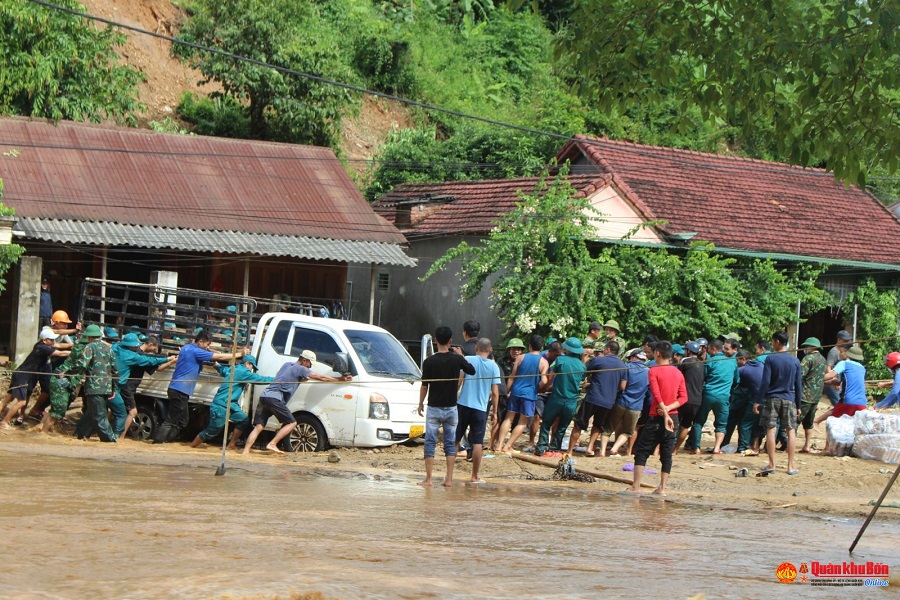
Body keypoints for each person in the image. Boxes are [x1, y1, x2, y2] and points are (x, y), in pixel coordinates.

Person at [244, 350, 351, 454]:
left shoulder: (287, 365)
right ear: (304, 360)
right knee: (292, 423)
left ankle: (245, 451)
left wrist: (301, 379)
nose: (310, 367)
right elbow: (320, 377)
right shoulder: (301, 368)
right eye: (309, 364)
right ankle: (272, 444)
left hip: (264, 396)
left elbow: (286, 378)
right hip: (275, 398)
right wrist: (340, 379)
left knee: (259, 426)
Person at [154, 330, 244, 444]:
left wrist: (207, 350)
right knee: (172, 420)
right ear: (200, 341)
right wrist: (239, 354)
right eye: (207, 344)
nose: (208, 347)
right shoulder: (195, 351)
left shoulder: (187, 348)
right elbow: (220, 356)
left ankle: (166, 442)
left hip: (177, 389)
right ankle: (158, 443)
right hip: (180, 389)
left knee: (182, 421)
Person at [416, 326, 476, 486]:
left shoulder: (429, 361)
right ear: (450, 341)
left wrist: (420, 403)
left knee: (430, 442)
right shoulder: (457, 360)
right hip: (451, 409)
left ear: (435, 340)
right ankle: (448, 479)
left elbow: (424, 385)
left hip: (434, 408)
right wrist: (461, 355)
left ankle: (428, 479)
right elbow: (471, 370)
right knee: (450, 443)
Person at [626, 341, 686, 496]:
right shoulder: (678, 373)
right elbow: (683, 398)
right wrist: (669, 409)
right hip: (673, 416)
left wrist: (664, 410)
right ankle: (662, 488)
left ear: (657, 353)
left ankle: (636, 486)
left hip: (657, 416)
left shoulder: (654, 371)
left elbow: (656, 392)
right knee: (666, 453)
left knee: (642, 451)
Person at [191, 355, 274, 449]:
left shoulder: (233, 368)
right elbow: (260, 379)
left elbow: (223, 370)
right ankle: (191, 447)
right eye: (252, 367)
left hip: (230, 404)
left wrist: (217, 366)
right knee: (212, 431)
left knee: (243, 420)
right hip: (221, 405)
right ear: (247, 363)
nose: (252, 369)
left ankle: (231, 444)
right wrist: (276, 380)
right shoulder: (243, 372)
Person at [0, 329, 70, 430]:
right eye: (51, 340)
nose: (53, 342)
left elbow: (57, 346)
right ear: (45, 340)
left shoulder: (41, 345)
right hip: (23, 376)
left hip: (20, 373)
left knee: (8, 399)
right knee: (22, 402)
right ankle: (4, 422)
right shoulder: (43, 348)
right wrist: (76, 353)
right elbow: (60, 353)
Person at [754, 331, 802, 475]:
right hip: (789, 398)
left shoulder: (771, 359)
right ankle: (791, 466)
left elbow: (765, 381)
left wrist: (757, 400)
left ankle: (772, 464)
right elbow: (798, 385)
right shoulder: (795, 361)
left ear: (777, 342)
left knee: (771, 429)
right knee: (791, 431)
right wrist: (798, 405)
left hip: (772, 398)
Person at [455, 338, 501, 483]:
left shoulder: (468, 359)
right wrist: (494, 412)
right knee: (477, 443)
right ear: (491, 350)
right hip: (480, 409)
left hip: (463, 404)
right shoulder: (494, 367)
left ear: (476, 348)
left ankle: (448, 473)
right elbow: (495, 392)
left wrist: (452, 397)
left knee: (456, 439)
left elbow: (459, 381)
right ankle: (474, 476)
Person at [114, 334, 176, 438]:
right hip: (128, 387)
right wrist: (170, 360)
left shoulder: (135, 352)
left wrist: (170, 361)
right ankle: (121, 437)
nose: (155, 351)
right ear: (151, 344)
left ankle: (107, 432)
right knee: (133, 412)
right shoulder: (139, 356)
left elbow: (155, 365)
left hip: (124, 386)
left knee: (116, 409)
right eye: (155, 348)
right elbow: (157, 367)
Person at [571, 340, 626, 457]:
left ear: (608, 350)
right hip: (608, 401)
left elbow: (585, 372)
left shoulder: (599, 360)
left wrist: (585, 359)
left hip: (593, 397)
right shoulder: (623, 366)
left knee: (579, 424)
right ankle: (590, 448)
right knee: (598, 425)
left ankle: (570, 451)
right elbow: (622, 386)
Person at [535, 338, 586, 457]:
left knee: (546, 423)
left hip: (557, 398)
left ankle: (541, 448)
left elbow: (550, 377)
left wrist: (544, 389)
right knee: (562, 427)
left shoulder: (560, 360)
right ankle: (554, 449)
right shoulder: (582, 366)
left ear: (567, 349)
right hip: (572, 401)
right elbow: (581, 382)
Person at [68, 324, 119, 442]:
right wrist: (114, 389)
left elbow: (82, 364)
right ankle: (79, 435)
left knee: (99, 416)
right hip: (106, 388)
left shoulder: (90, 347)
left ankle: (110, 440)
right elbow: (115, 371)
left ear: (89, 337)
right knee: (92, 413)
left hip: (94, 388)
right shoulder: (108, 349)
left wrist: (68, 373)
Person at [498, 335, 548, 453]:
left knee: (508, 418)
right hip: (529, 394)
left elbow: (512, 377)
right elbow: (544, 380)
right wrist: (536, 388)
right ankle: (507, 446)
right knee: (522, 422)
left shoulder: (520, 358)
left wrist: (507, 391)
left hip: (515, 391)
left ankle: (499, 445)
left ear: (529, 346)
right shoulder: (543, 362)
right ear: (541, 347)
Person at [689, 339, 739, 454]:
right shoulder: (732, 362)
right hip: (724, 397)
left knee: (698, 422)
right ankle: (717, 448)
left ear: (713, 349)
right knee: (721, 424)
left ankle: (696, 448)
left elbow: (703, 376)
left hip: (708, 395)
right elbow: (736, 381)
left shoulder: (710, 361)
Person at [604, 348, 650, 456]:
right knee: (628, 432)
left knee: (608, 429)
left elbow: (621, 386)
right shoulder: (649, 371)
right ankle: (615, 448)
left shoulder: (626, 367)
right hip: (636, 407)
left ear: (634, 357)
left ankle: (602, 450)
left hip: (620, 402)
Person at [724, 350, 764, 454]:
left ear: (743, 359)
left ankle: (743, 447)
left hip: (757, 399)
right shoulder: (760, 364)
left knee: (745, 423)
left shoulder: (742, 369)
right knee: (758, 423)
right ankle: (755, 446)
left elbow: (734, 382)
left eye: (738, 360)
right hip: (768, 398)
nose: (736, 363)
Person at [490, 338, 524, 452]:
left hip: (517, 394)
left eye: (518, 349)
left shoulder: (523, 361)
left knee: (516, 419)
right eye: (513, 349)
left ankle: (509, 444)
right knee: (500, 418)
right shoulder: (502, 361)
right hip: (503, 393)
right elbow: (498, 378)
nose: (516, 351)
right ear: (509, 350)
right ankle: (493, 443)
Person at [818, 345, 868, 421]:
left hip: (848, 400)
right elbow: (850, 382)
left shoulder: (844, 363)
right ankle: (817, 421)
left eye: (841, 352)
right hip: (862, 403)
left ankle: (816, 421)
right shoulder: (862, 368)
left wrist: (815, 378)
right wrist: (831, 383)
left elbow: (830, 375)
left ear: (847, 355)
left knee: (834, 419)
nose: (840, 353)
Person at [675, 341, 705, 454]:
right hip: (697, 400)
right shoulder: (703, 363)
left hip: (683, 398)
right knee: (685, 426)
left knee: (675, 424)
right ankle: (675, 450)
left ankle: (665, 449)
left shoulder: (685, 361)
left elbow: (677, 376)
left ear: (689, 351)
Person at [797, 337, 827, 453]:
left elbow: (800, 375)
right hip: (816, 396)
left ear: (810, 347)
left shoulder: (808, 359)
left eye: (806, 347)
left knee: (795, 422)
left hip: (805, 395)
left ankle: (789, 444)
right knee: (809, 423)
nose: (805, 349)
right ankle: (807, 445)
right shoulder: (823, 360)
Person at [824, 330, 852, 405]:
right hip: (833, 384)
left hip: (839, 383)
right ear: (839, 340)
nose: (846, 342)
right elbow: (828, 368)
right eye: (845, 340)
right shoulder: (833, 352)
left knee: (841, 405)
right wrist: (834, 381)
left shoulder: (844, 351)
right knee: (838, 405)